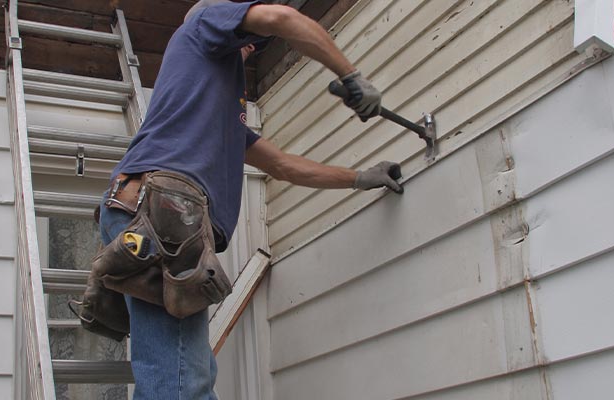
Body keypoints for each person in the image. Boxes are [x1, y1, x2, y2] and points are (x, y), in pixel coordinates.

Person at [98, 0, 404, 398]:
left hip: (157, 216)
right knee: (180, 379)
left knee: (187, 371)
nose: (251, 47)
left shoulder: (217, 106)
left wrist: (362, 178)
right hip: (161, 214)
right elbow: (280, 19)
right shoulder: (202, 24)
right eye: (245, 38)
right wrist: (351, 75)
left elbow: (282, 165)